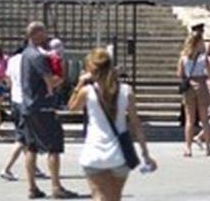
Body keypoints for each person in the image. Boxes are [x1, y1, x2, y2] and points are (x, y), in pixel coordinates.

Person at [67, 49, 157, 201]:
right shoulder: (126, 91)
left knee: (98, 196)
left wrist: (80, 83)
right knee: (115, 198)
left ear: (91, 70)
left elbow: (71, 108)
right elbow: (136, 124)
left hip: (93, 153)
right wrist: (145, 154)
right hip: (119, 155)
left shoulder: (87, 91)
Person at [21, 22, 77, 199]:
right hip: (42, 106)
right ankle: (56, 186)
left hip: (28, 105)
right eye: (44, 32)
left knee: (31, 146)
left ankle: (32, 187)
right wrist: (64, 74)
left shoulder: (25, 53)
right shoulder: (37, 56)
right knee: (54, 146)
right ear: (36, 34)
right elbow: (51, 81)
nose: (46, 36)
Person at [0, 41, 44, 182]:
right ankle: (7, 168)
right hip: (26, 101)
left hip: (15, 100)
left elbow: (7, 78)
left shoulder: (12, 60)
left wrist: (13, 87)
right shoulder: (29, 59)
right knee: (23, 137)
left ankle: (33, 166)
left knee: (26, 135)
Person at [177, 34, 210, 157]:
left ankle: (188, 147)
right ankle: (208, 146)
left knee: (190, 119)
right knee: (204, 119)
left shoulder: (183, 57)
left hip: (189, 87)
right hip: (201, 85)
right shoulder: (204, 58)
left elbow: (180, 74)